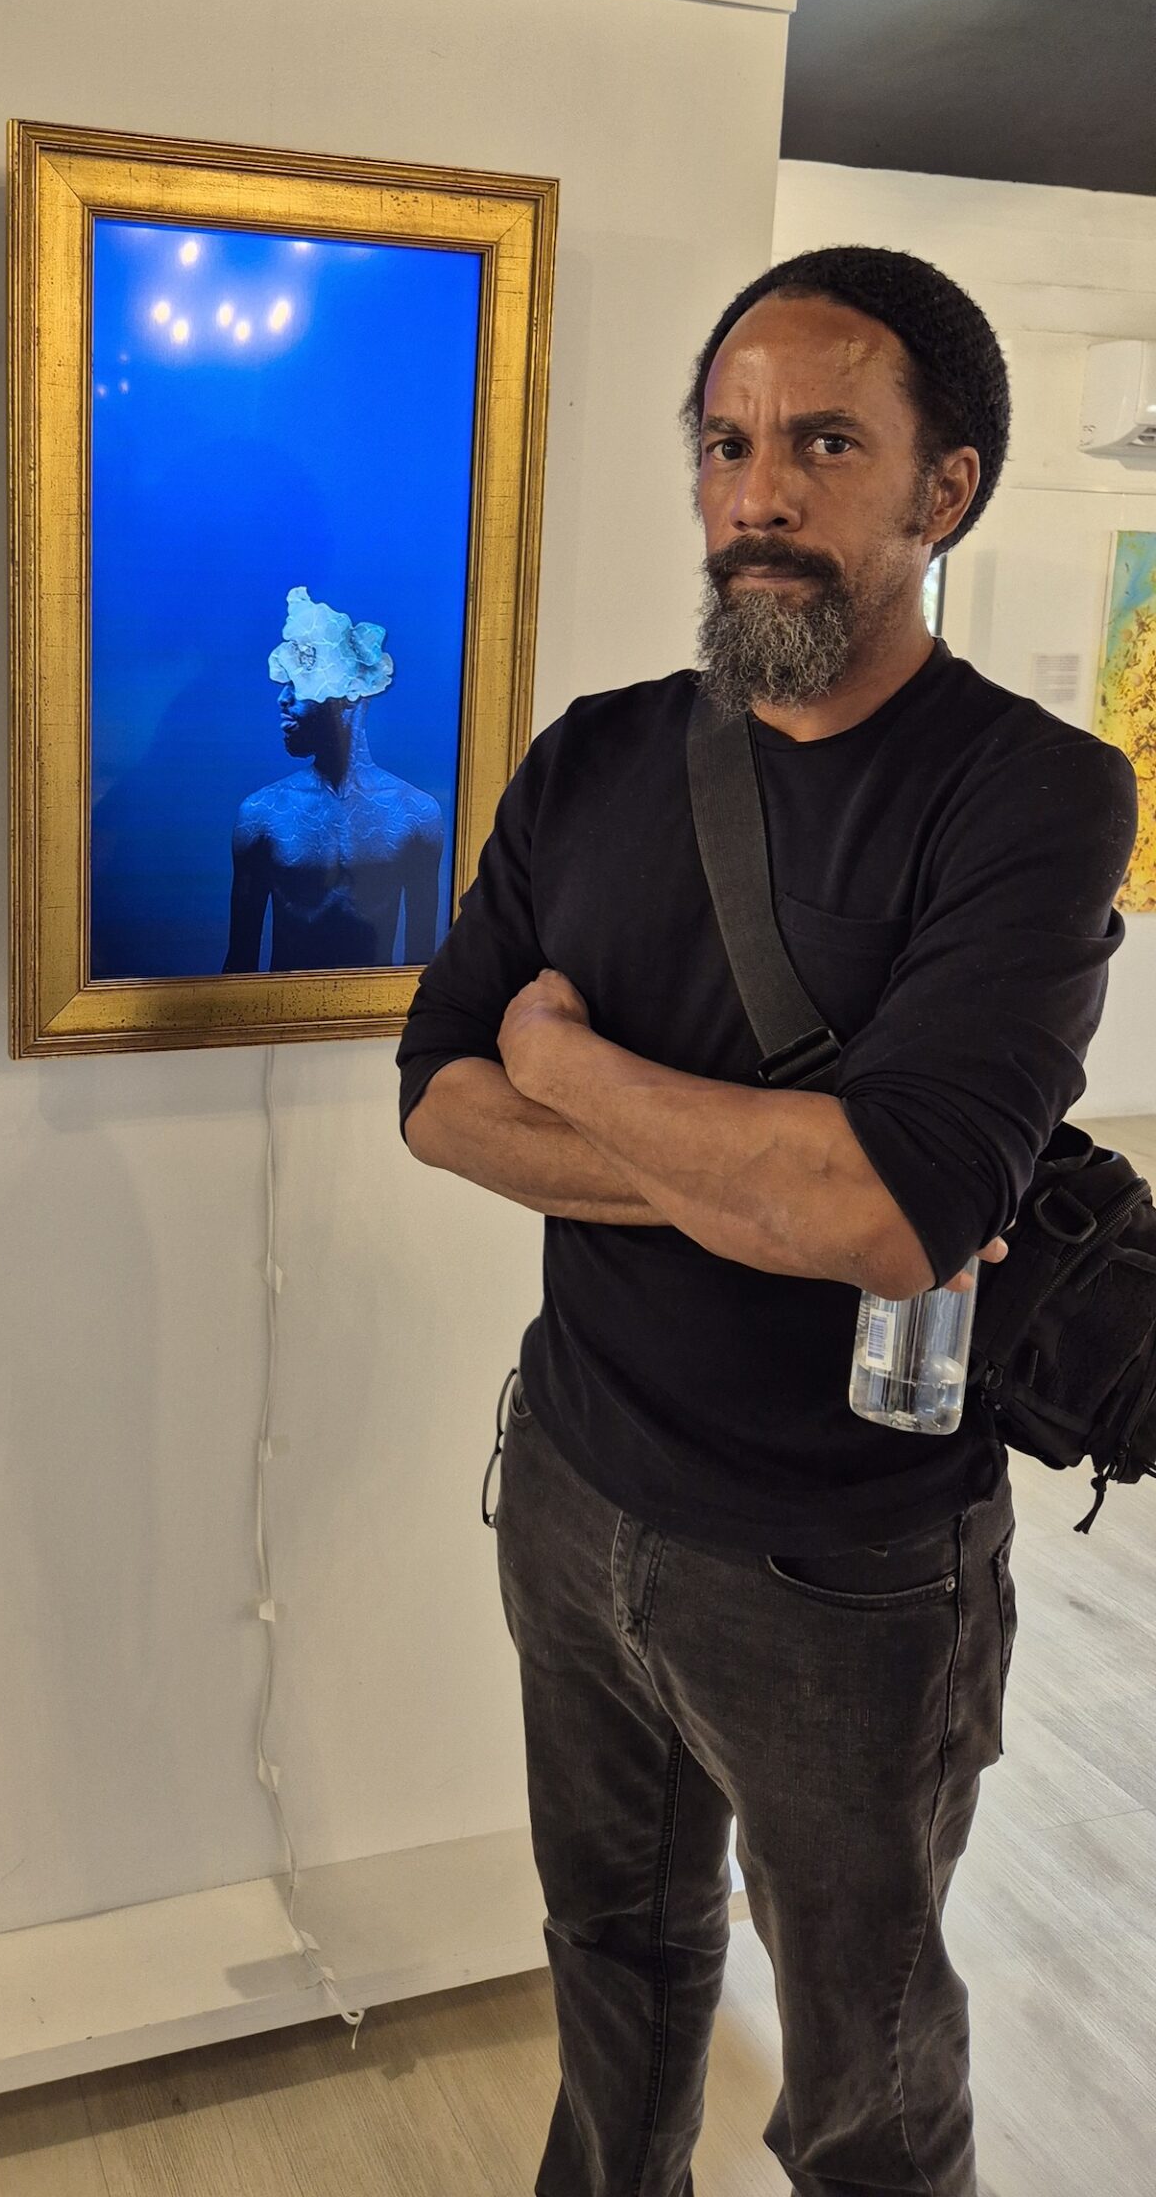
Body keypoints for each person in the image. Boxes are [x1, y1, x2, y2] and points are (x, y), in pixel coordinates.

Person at [398, 247, 1138, 2197]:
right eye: (726, 444)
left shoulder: (1038, 797)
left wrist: (570, 1062)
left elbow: (887, 1210)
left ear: (944, 488)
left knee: (863, 2076)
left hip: (844, 1566)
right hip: (574, 1484)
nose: (757, 495)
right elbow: (437, 1093)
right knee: (613, 1959)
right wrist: (757, 1185)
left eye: (824, 443)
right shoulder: (597, 756)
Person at [225, 584, 444, 971]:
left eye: (298, 685)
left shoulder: (416, 814)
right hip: (282, 1008)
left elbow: (421, 966)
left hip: (377, 1008)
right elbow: (239, 964)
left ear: (348, 697)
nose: (282, 699)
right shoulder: (261, 814)